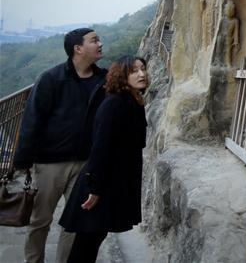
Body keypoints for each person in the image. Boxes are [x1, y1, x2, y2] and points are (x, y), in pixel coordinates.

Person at [13, 28, 107, 263]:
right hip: (49, 163)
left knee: (75, 223)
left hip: (85, 163)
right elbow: (32, 120)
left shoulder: (103, 79)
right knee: (40, 221)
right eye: (94, 40)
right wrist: (23, 161)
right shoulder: (51, 78)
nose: (100, 44)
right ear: (78, 48)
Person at [59, 55, 149, 263]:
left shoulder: (133, 101)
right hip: (102, 183)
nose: (142, 74)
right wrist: (94, 188)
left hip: (114, 181)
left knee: (95, 237)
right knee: (87, 241)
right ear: (121, 75)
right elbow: (101, 147)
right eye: (134, 71)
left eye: (143, 69)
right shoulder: (115, 104)